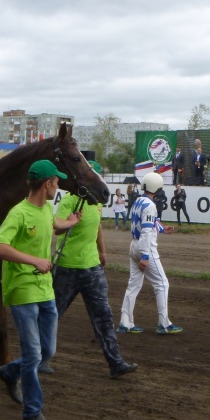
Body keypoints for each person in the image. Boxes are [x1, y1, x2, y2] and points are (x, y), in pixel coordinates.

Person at [0, 159, 80, 420]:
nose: (59, 186)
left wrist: (71, 221)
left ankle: (8, 372)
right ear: (47, 184)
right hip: (22, 289)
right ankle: (32, 411)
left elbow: (53, 224)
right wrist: (33, 261)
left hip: (45, 289)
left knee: (47, 352)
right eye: (57, 181)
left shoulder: (45, 211)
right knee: (32, 355)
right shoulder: (18, 213)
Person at [49, 163, 138, 380]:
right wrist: (71, 222)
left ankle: (116, 363)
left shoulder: (96, 201)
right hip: (67, 268)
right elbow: (56, 228)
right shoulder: (70, 200)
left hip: (92, 269)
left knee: (104, 316)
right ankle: (39, 359)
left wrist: (102, 251)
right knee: (51, 315)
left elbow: (97, 225)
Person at [118, 171, 183, 335]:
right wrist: (146, 257)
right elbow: (147, 231)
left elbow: (149, 223)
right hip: (144, 247)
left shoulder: (139, 201)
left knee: (133, 285)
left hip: (133, 246)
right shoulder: (151, 205)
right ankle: (164, 323)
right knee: (162, 284)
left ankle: (125, 323)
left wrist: (162, 228)